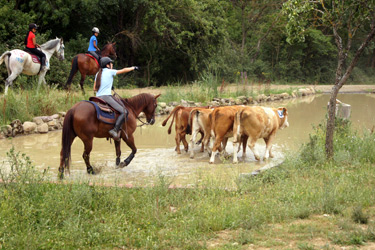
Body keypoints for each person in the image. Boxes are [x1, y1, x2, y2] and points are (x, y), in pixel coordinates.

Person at [94, 57, 139, 141]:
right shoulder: (110, 71)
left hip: (97, 97)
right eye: (111, 63)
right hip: (106, 97)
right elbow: (124, 70)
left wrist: (108, 86)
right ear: (107, 65)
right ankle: (115, 130)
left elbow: (94, 88)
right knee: (124, 112)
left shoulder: (98, 74)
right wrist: (133, 68)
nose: (112, 64)